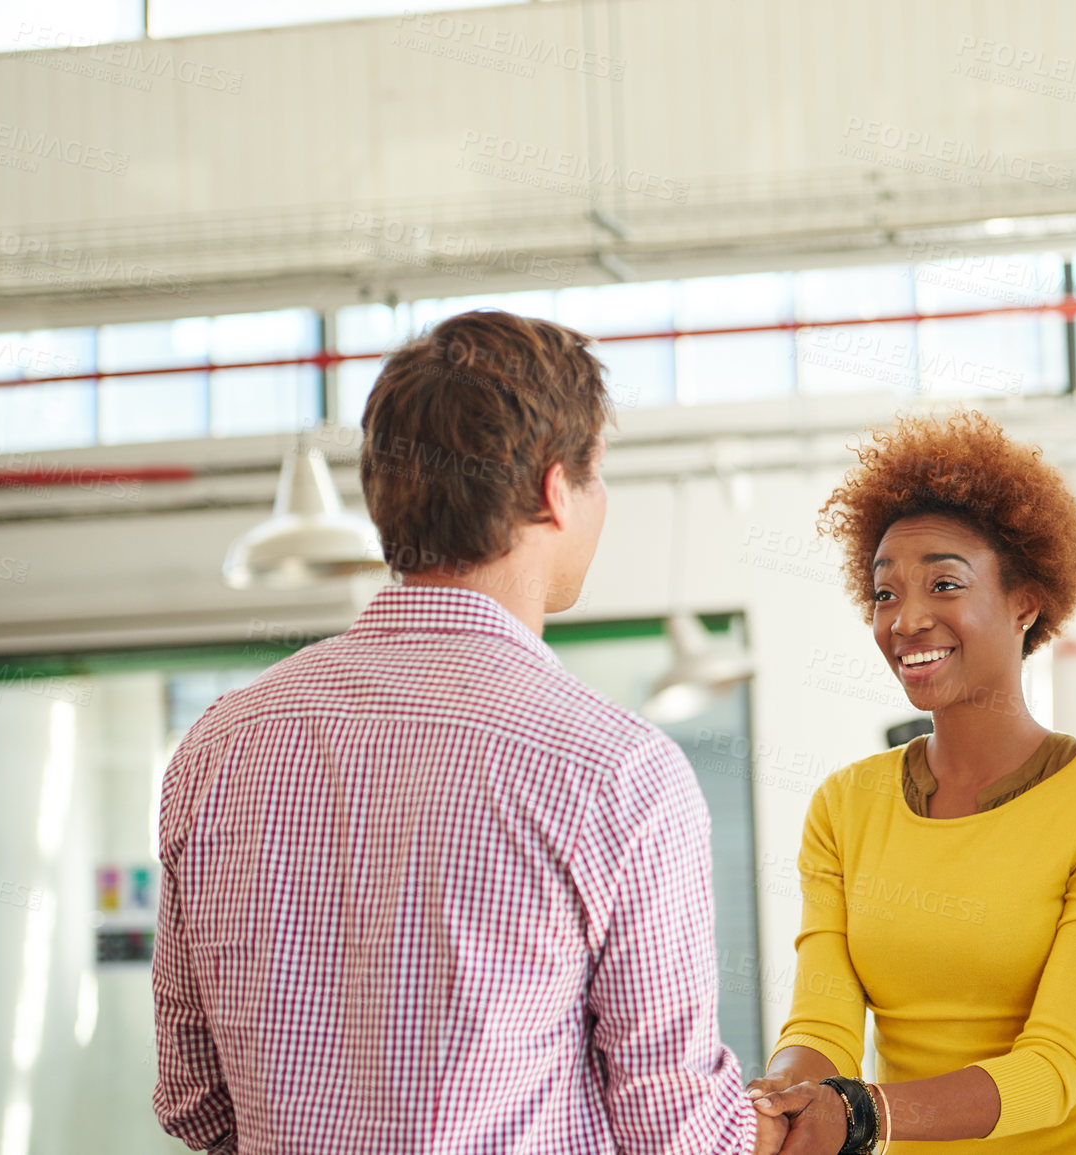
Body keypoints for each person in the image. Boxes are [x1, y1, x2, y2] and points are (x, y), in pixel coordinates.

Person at [151, 310, 780, 1155]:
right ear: (558, 489)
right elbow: (676, 1132)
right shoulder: (617, 771)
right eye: (599, 475)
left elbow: (195, 1104)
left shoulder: (219, 746)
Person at [746, 411, 1076, 1153]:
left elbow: (1052, 1070)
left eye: (944, 583)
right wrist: (782, 1096)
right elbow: (821, 1023)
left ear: (1024, 601)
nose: (906, 619)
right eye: (884, 594)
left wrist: (861, 1113)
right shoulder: (846, 805)